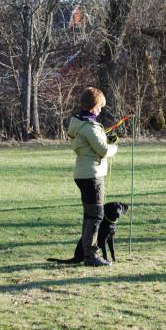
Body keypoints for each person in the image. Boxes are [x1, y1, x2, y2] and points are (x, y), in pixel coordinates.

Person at [67, 87, 118, 266]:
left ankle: (85, 254)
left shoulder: (79, 123)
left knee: (90, 215)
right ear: (94, 105)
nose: (101, 110)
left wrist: (105, 140)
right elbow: (103, 150)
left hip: (83, 173)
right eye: (100, 107)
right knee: (96, 215)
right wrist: (113, 148)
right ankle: (91, 256)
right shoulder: (89, 126)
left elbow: (92, 146)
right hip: (92, 174)